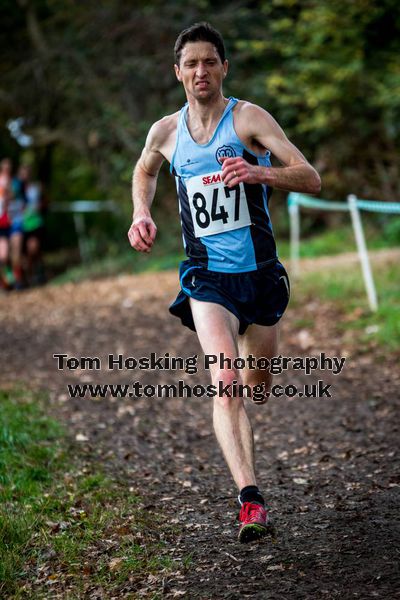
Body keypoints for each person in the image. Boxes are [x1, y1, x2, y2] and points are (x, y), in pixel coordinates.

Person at [128, 22, 321, 543]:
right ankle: (250, 501)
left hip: (259, 278)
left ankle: (256, 371)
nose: (200, 71)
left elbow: (309, 176)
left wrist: (261, 174)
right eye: (191, 63)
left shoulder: (249, 118)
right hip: (206, 279)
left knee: (257, 384)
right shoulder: (164, 132)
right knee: (226, 383)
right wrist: (140, 213)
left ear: (223, 68)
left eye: (209, 61)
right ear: (178, 73)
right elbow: (144, 171)